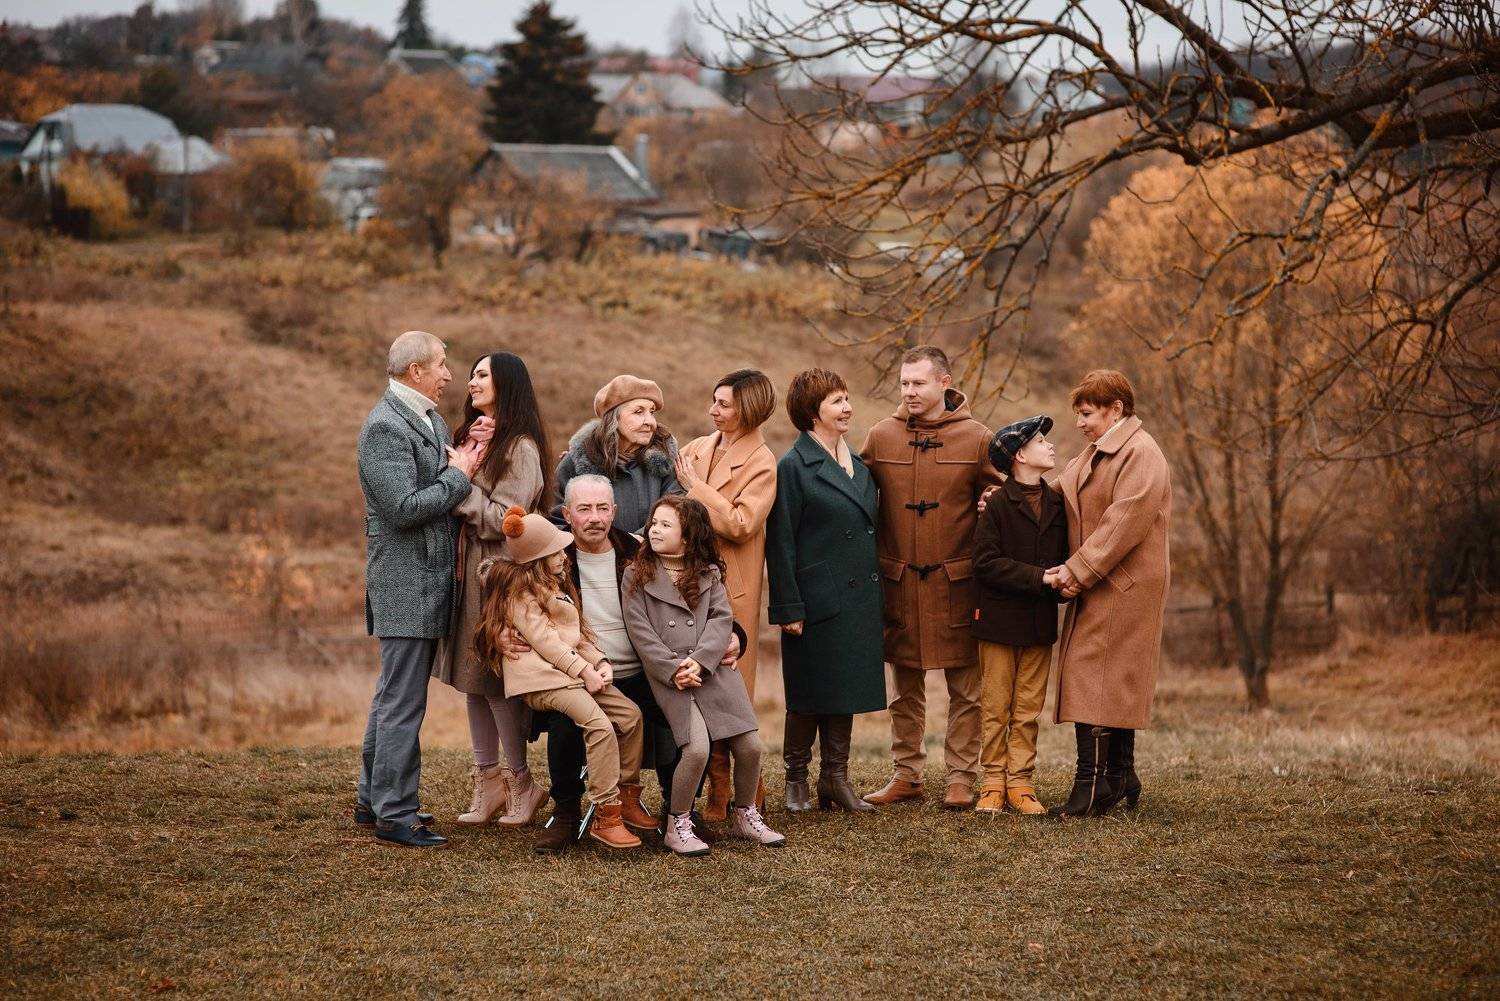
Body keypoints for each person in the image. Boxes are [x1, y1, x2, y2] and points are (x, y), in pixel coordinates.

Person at [532, 475, 749, 854]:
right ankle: (566, 811)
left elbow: (693, 597)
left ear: (614, 511)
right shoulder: (552, 558)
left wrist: (736, 635)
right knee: (564, 724)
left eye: (603, 508)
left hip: (644, 672)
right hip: (580, 673)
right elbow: (519, 601)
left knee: (690, 717)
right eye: (584, 509)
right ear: (566, 514)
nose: (595, 517)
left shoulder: (637, 552)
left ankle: (679, 810)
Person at [860, 345, 1004, 810]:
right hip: (899, 583)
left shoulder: (978, 439)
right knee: (904, 688)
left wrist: (993, 501)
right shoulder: (881, 436)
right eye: (904, 383)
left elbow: (1003, 498)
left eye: (918, 383)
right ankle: (907, 775)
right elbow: (853, 497)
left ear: (945, 382)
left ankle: (961, 778)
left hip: (957, 585)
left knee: (967, 689)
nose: (909, 391)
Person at [354, 329, 478, 850]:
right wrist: (461, 475)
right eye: (442, 364)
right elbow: (404, 508)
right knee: (403, 703)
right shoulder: (384, 427)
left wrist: (467, 451)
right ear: (416, 371)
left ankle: (373, 800)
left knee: (393, 695)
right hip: (406, 584)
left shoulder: (427, 418)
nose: (449, 374)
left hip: (424, 582)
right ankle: (396, 814)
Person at [473, 508, 654, 849]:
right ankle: (606, 812)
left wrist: (599, 661)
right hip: (543, 680)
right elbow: (547, 642)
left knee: (631, 717)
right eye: (556, 552)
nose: (563, 556)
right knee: (599, 726)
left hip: (568, 675)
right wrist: (584, 672)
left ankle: (627, 794)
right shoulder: (521, 595)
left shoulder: (553, 585)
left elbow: (575, 635)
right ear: (537, 558)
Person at [621, 496, 785, 856]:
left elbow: (721, 619)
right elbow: (640, 631)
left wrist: (702, 660)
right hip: (671, 674)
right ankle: (677, 824)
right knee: (696, 750)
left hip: (712, 668)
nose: (654, 530)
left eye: (665, 525)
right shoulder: (636, 573)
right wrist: (674, 669)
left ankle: (745, 814)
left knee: (751, 746)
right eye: (654, 523)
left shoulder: (708, 572)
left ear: (688, 535)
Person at [431, 352, 550, 830]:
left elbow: (508, 520)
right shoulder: (473, 439)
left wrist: (459, 483)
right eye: (472, 374)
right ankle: (488, 781)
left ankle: (522, 783)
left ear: (507, 383)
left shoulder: (520, 447)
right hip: (468, 573)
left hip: (499, 577)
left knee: (498, 682)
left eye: (482, 375)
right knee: (472, 680)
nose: (471, 382)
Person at [1049, 370, 1172, 818]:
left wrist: (1075, 570)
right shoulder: (1096, 452)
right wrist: (1008, 499)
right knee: (1109, 679)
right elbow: (1058, 495)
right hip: (1104, 580)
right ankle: (1120, 775)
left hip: (1125, 583)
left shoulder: (1141, 452)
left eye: (1087, 413)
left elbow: (1123, 524)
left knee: (1093, 674)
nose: (1080, 422)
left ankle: (1092, 785)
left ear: (1116, 408)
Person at [765, 369, 886, 813]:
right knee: (808, 692)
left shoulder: (859, 465)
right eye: (837, 400)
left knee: (844, 687)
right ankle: (796, 778)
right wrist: (788, 606)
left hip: (857, 598)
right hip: (814, 599)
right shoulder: (793, 466)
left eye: (846, 398)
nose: (847, 407)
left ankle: (835, 778)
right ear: (813, 412)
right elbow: (780, 542)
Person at [674, 369, 777, 820]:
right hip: (687, 584)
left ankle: (739, 787)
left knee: (729, 687)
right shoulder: (697, 447)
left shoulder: (763, 462)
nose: (712, 410)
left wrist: (696, 489)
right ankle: (715, 784)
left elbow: (741, 523)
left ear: (748, 410)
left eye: (724, 404)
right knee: (695, 682)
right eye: (713, 401)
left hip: (731, 587)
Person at [971, 415, 1069, 816]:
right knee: (996, 707)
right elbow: (985, 563)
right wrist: (1040, 577)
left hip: (1039, 623)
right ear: (1020, 456)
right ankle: (993, 783)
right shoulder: (996, 504)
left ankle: (1021, 784)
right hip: (999, 622)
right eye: (1041, 441)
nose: (1050, 446)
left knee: (1028, 709)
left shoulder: (1058, 504)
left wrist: (1063, 583)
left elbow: (1061, 558)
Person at [554, 375, 681, 535]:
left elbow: (673, 517)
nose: (650, 422)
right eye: (639, 412)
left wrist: (634, 543)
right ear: (613, 419)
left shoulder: (666, 462)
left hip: (648, 550)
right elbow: (557, 521)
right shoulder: (576, 462)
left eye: (652, 412)